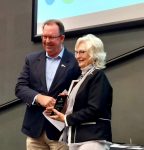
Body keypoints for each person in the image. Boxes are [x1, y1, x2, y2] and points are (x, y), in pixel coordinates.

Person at [15, 19, 81, 150]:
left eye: (51, 37)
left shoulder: (75, 62)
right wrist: (40, 98)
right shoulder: (32, 59)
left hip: (61, 133)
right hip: (34, 132)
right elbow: (20, 87)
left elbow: (81, 92)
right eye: (44, 36)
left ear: (62, 38)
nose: (46, 41)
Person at [47, 34, 113, 150]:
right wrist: (62, 109)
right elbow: (79, 108)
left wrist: (66, 118)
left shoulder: (97, 76)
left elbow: (95, 109)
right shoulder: (82, 77)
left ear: (94, 53)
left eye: (82, 52)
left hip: (92, 140)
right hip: (77, 139)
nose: (77, 56)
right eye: (76, 52)